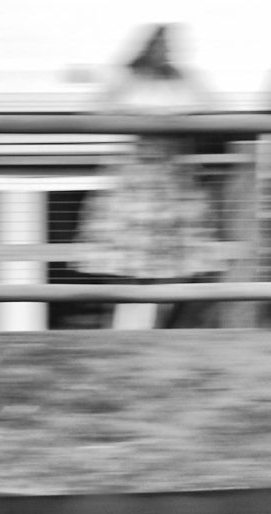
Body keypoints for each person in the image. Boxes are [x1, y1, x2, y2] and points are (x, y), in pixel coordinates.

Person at [71, 24, 225, 328]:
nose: (167, 52)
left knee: (176, 263)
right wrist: (142, 118)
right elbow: (98, 109)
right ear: (149, 47)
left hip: (175, 178)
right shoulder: (128, 78)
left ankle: (165, 329)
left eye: (171, 47)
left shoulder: (184, 79)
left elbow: (213, 109)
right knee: (133, 266)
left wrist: (181, 119)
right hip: (138, 179)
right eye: (162, 46)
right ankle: (129, 330)